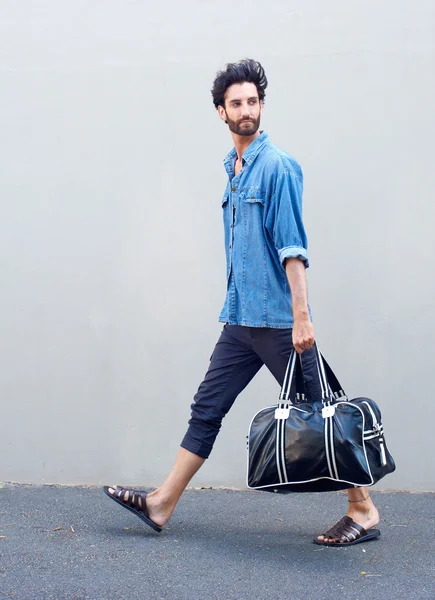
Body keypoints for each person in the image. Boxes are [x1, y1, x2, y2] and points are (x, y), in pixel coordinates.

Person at [104, 59, 380, 546]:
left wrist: (301, 318)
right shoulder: (233, 170)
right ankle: (162, 503)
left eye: (253, 101)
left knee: (322, 412)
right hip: (239, 320)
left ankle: (363, 509)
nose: (247, 110)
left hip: (277, 322)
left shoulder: (277, 167)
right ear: (221, 112)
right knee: (206, 408)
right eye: (237, 103)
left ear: (261, 106)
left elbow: (293, 248)